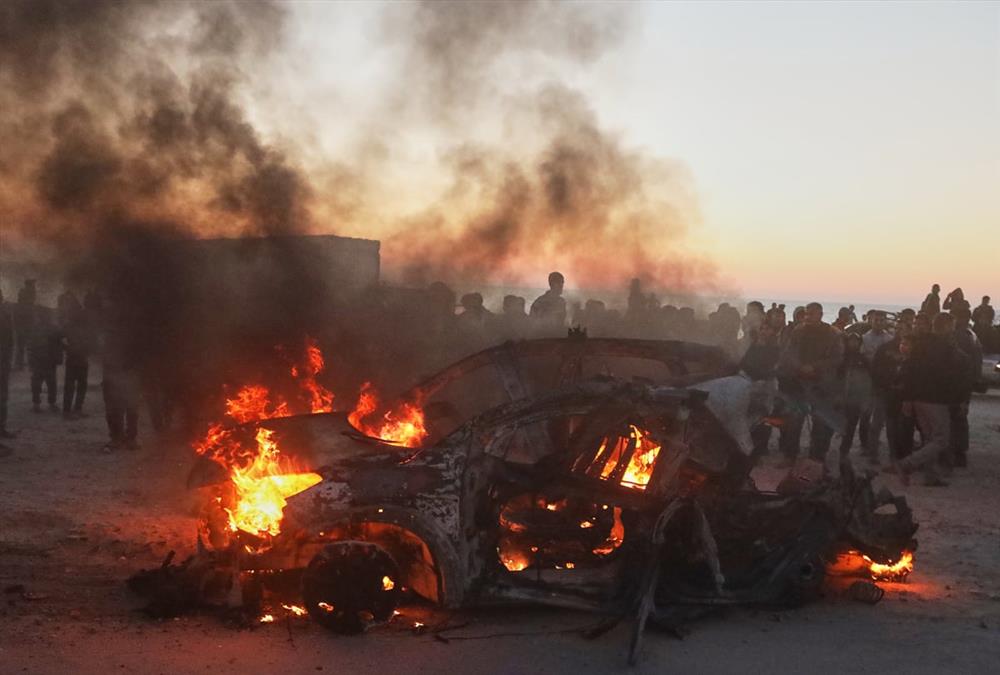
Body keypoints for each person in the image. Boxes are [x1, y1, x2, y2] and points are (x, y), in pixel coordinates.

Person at [894, 327, 964, 487]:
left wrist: (908, 399)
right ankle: (907, 464)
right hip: (936, 400)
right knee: (940, 439)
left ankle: (930, 476)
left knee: (929, 439)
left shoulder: (920, 353)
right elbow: (952, 378)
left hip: (919, 400)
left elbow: (909, 377)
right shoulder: (944, 352)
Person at [776, 302, 844, 464]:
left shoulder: (833, 334)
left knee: (820, 425)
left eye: (811, 314)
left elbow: (837, 358)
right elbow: (788, 353)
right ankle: (790, 456)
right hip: (798, 383)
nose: (807, 317)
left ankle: (816, 458)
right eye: (806, 313)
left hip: (821, 385)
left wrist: (814, 367)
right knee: (794, 422)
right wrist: (800, 366)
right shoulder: (798, 331)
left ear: (820, 314)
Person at [947, 308, 981, 468]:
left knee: (955, 418)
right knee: (959, 418)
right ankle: (959, 453)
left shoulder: (961, 336)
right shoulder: (972, 336)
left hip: (955, 384)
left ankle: (955, 453)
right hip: (963, 384)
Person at [860, 311, 894, 461]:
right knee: (865, 415)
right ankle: (865, 445)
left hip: (883, 383)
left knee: (879, 418)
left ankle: (873, 447)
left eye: (881, 320)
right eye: (876, 320)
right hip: (867, 381)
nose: (878, 323)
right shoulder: (864, 338)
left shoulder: (889, 339)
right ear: (870, 321)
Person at [838, 332, 872, 461]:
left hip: (855, 399)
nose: (853, 343)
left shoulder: (863, 359)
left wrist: (865, 399)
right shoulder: (840, 358)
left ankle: (844, 450)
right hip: (840, 397)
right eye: (851, 341)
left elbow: (869, 379)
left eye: (856, 341)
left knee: (851, 426)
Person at [62, 301, 95, 418]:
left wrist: (67, 348)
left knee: (73, 385)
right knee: (79, 385)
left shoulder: (69, 325)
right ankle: (74, 409)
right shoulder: (82, 326)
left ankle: (70, 409)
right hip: (79, 357)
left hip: (75, 357)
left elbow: (61, 340)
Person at [27, 308, 62, 413]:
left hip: (40, 360)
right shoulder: (54, 328)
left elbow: (31, 346)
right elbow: (58, 345)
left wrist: (31, 360)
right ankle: (50, 403)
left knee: (37, 382)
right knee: (50, 382)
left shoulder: (36, 328)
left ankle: (37, 404)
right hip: (48, 360)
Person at [12, 279, 37, 370]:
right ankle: (25, 364)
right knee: (27, 346)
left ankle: (21, 364)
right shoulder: (27, 299)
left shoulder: (27, 300)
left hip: (24, 326)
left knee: (24, 346)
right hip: (25, 326)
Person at [0, 288, 14, 439]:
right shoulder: (4, 315)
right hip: (2, 361)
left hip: (3, 361)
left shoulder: (5, 314)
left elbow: (10, 341)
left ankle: (1, 429)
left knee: (2, 397)